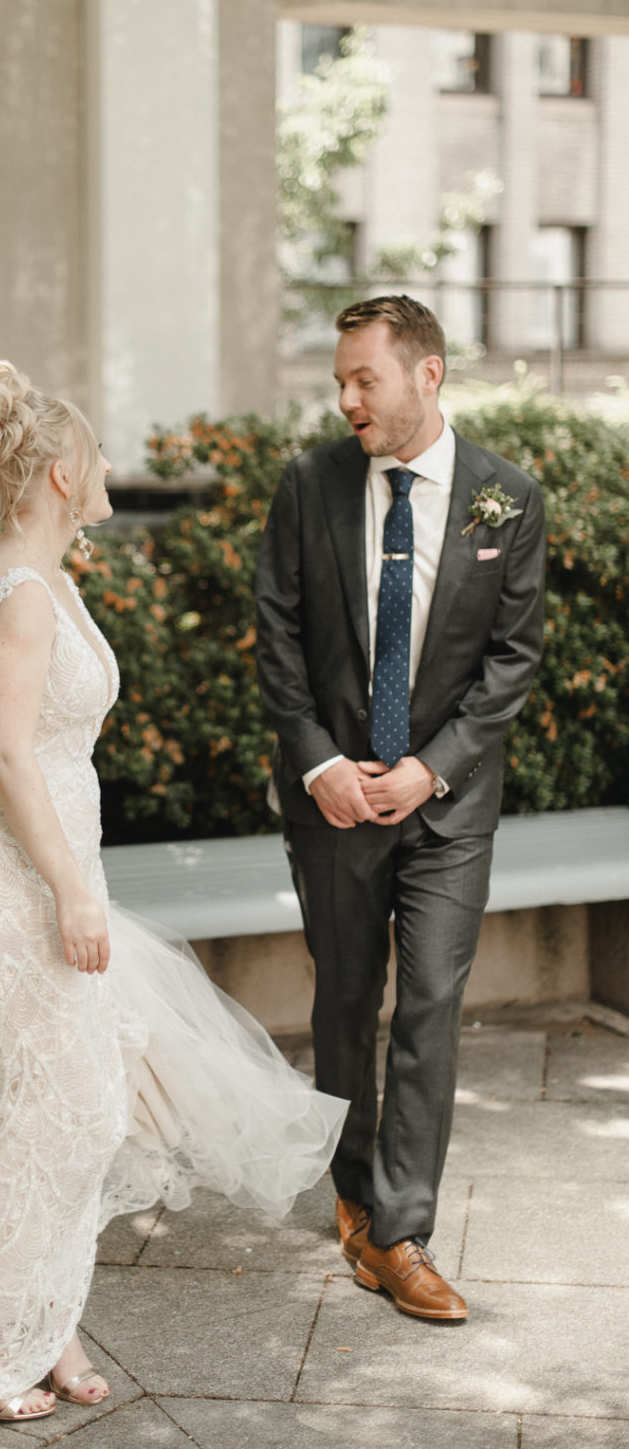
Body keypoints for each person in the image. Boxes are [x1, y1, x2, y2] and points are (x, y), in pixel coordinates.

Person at [0, 362, 346, 1422]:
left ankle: (41, 1317)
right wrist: (70, 892)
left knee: (87, 1108)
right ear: (62, 473)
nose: (105, 472)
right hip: (18, 877)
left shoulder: (42, 576)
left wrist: (76, 878)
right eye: (96, 458)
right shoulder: (12, 589)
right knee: (43, 1110)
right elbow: (2, 756)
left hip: (49, 864)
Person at [256, 295, 546, 1322]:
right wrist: (320, 764)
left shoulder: (504, 500)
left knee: (427, 1001)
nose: (345, 399)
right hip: (333, 804)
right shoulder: (309, 485)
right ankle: (350, 1190)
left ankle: (401, 1231)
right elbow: (278, 640)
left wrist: (431, 769)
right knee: (344, 999)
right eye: (339, 380)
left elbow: (510, 662)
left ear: (426, 376)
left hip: (446, 810)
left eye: (362, 379)